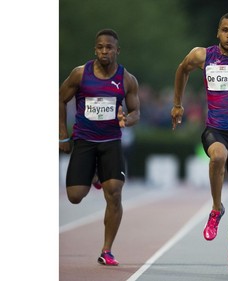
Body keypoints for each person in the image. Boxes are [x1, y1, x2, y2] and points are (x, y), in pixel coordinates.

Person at [171, 12, 228, 268]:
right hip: (216, 130)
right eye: (226, 30)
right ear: (218, 32)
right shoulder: (202, 55)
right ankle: (215, 209)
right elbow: (182, 69)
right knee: (218, 156)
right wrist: (178, 104)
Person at [59, 29, 140, 266]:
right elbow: (60, 99)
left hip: (111, 141)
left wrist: (127, 119)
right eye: (100, 47)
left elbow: (136, 112)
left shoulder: (127, 79)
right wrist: (63, 135)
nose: (105, 51)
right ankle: (95, 173)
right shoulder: (79, 74)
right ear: (95, 49)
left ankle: (107, 250)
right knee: (75, 196)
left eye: (109, 47)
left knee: (114, 194)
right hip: (84, 140)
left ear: (117, 50)